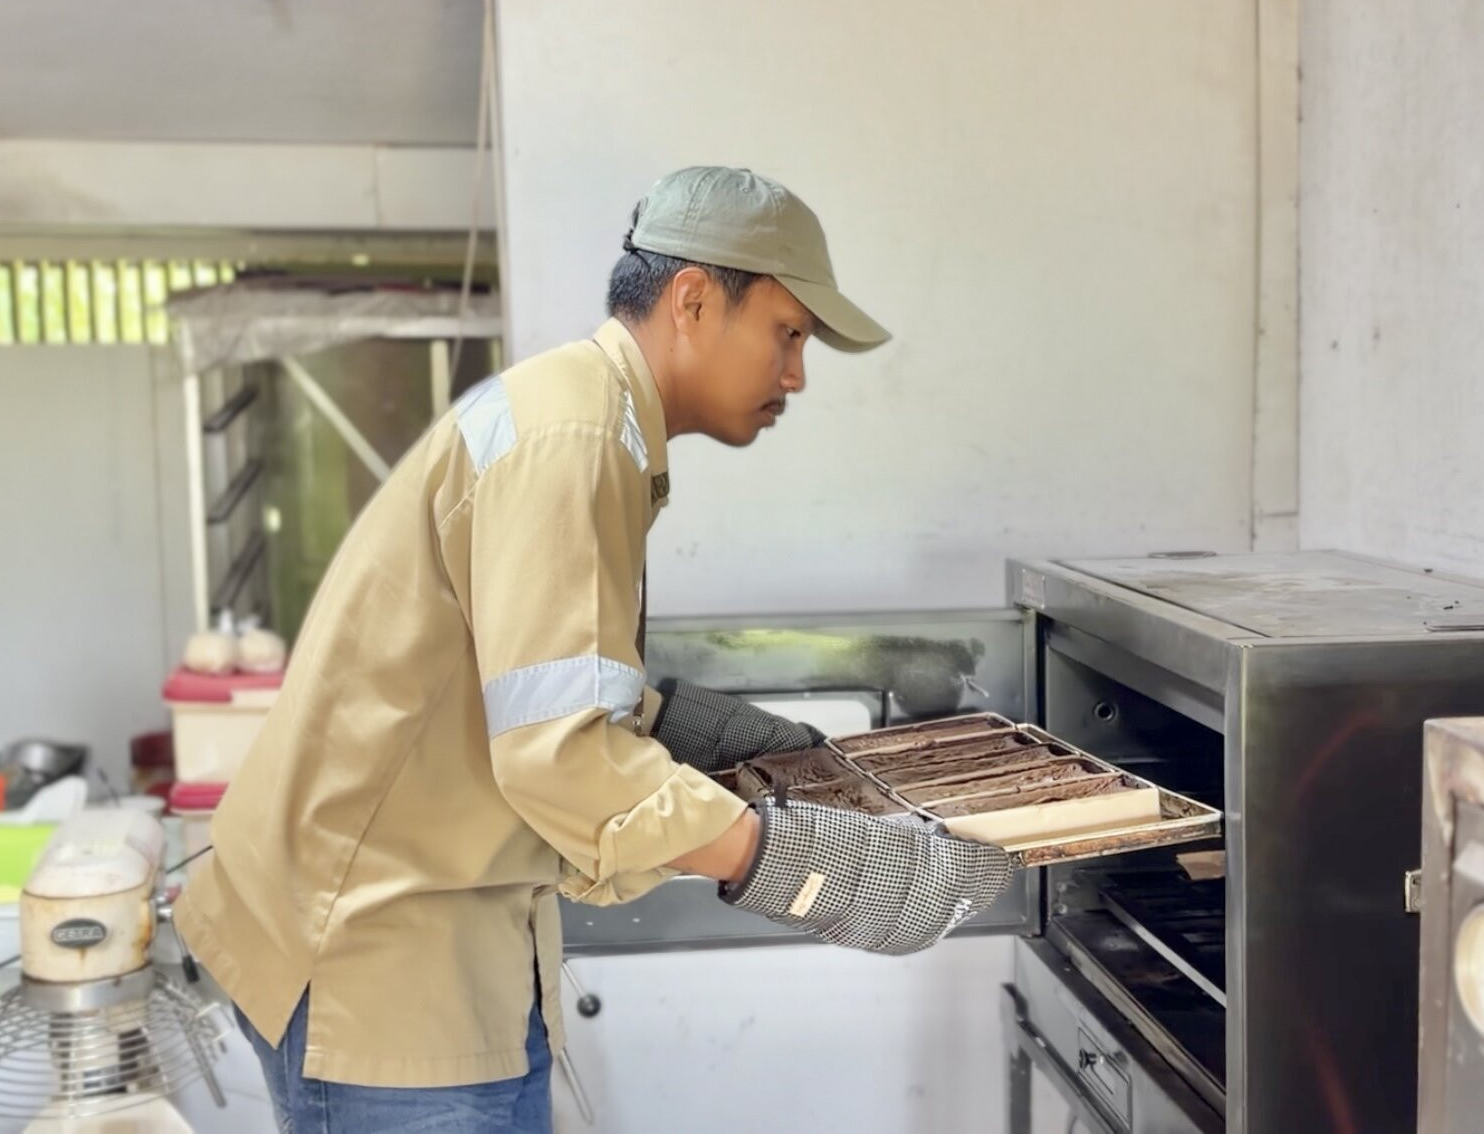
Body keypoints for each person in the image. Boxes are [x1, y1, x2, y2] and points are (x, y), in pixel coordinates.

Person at [174, 166, 1015, 1132]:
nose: (797, 375)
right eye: (788, 334)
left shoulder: (582, 417)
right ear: (695, 299)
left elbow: (536, 686)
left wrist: (744, 743)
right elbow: (563, 758)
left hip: (428, 944)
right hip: (382, 972)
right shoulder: (572, 438)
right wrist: (817, 867)